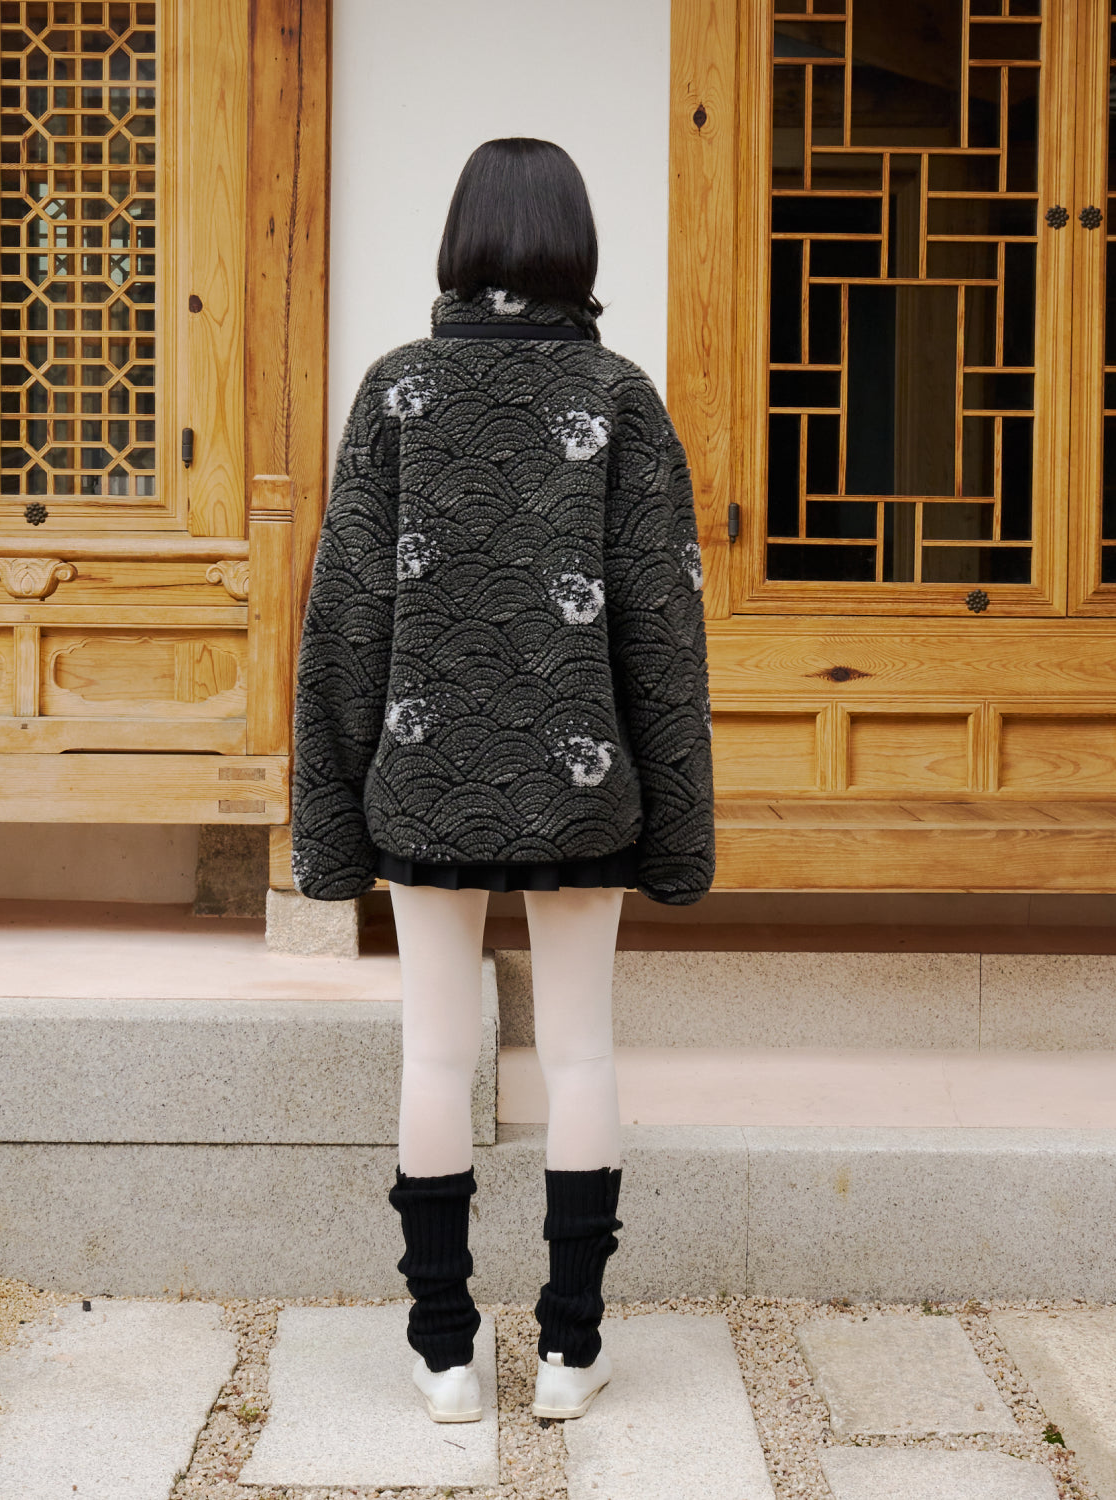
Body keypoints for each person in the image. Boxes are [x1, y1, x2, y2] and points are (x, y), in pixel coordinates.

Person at [291, 136, 715, 1425]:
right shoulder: (624, 399)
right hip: (583, 781)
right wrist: (679, 829)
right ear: (577, 247)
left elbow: (343, 620)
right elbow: (664, 627)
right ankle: (574, 1353)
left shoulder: (397, 394)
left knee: (435, 1051)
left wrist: (326, 823)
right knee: (579, 1054)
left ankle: (443, 1355)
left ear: (459, 245)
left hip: (422, 776)